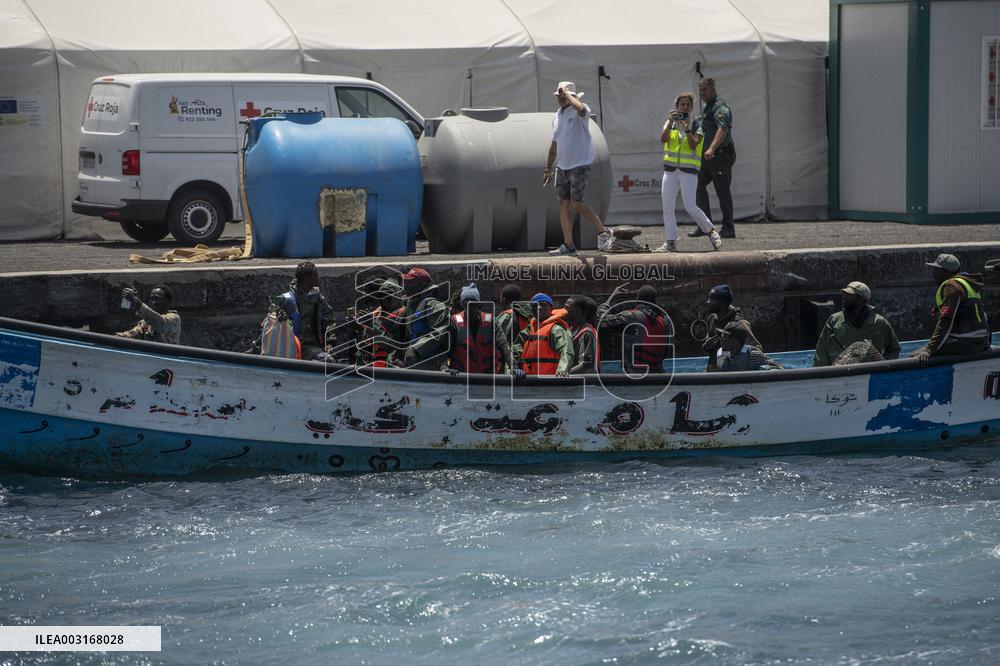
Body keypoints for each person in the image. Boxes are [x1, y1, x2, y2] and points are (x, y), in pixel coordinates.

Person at [542, 81, 614, 256]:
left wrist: (568, 95)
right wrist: (548, 166)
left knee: (577, 203)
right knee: (563, 204)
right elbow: (554, 144)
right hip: (563, 165)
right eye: (558, 96)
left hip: (579, 164)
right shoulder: (557, 116)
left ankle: (603, 231)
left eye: (563, 95)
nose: (560, 98)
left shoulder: (581, 110)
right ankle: (568, 245)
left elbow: (581, 110)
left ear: (572, 96)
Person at [657, 91, 722, 253]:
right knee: (667, 207)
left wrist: (687, 128)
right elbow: (663, 139)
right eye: (682, 104)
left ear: (692, 108)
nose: (685, 107)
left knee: (690, 206)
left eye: (688, 104)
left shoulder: (696, 125)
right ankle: (670, 242)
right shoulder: (670, 122)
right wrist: (671, 122)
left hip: (688, 172)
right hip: (671, 171)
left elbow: (694, 145)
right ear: (677, 107)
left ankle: (711, 231)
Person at [911, 254, 990, 364]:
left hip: (965, 342)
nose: (933, 273)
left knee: (915, 354)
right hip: (980, 341)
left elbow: (946, 320)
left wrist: (929, 350)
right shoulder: (967, 284)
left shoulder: (951, 286)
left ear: (947, 272)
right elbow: (983, 316)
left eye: (936, 270)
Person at [689, 78, 737, 239]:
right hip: (707, 157)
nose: (702, 93)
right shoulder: (706, 107)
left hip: (720, 155)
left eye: (705, 90)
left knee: (722, 191)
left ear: (713, 89)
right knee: (698, 187)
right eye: (700, 90)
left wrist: (711, 148)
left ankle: (728, 227)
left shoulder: (720, 107)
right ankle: (705, 226)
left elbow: (722, 129)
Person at [813, 281, 901, 367]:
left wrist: (884, 368)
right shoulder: (834, 320)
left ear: (861, 299)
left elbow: (894, 349)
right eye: (844, 294)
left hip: (871, 373)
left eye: (849, 295)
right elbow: (821, 352)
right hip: (838, 373)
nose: (844, 297)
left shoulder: (879, 323)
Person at [596, 284, 670, 374]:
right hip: (659, 373)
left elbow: (602, 320)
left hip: (635, 374)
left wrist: (612, 298)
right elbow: (666, 349)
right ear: (654, 301)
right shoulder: (665, 320)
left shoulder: (631, 316)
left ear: (637, 299)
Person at [442, 283, 513, 374]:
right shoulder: (454, 323)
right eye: (466, 303)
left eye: (473, 303)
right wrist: (444, 367)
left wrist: (513, 366)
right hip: (461, 377)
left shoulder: (491, 321)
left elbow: (503, 345)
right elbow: (444, 349)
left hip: (487, 378)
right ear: (462, 304)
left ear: (478, 304)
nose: (470, 306)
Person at [395, 267, 451, 370]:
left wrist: (415, 349)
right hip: (412, 366)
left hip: (431, 366)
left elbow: (439, 333)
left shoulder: (434, 306)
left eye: (410, 282)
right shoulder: (410, 306)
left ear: (421, 285)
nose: (405, 285)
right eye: (405, 282)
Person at [276, 261, 333, 361]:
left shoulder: (319, 299)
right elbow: (270, 323)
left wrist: (330, 343)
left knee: (327, 360)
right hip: (290, 346)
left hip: (311, 347)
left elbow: (329, 321)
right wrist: (280, 320)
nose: (318, 278)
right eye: (315, 275)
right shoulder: (287, 299)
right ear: (308, 278)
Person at [700, 284, 760, 373]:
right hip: (713, 372)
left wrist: (730, 353)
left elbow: (757, 350)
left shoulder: (739, 323)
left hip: (731, 375)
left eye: (712, 299)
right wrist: (705, 347)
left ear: (722, 303)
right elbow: (710, 347)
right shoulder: (712, 318)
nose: (708, 302)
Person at [520, 293, 575, 376]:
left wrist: (562, 371)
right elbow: (515, 351)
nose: (539, 308)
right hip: (527, 381)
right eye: (535, 305)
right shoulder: (528, 330)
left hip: (549, 381)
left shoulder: (557, 329)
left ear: (551, 308)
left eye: (543, 305)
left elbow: (566, 351)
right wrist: (514, 368)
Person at [116, 285, 181, 344]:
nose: (153, 302)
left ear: (168, 301)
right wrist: (115, 338)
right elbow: (133, 334)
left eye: (157, 299)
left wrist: (137, 303)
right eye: (152, 299)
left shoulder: (174, 319)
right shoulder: (147, 322)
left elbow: (161, 324)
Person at [495, 284, 532, 374]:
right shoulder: (529, 315)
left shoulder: (507, 316)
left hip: (507, 365)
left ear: (504, 300)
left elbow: (498, 340)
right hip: (525, 364)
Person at [716, 321, 781, 371]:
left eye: (724, 337)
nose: (721, 339)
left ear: (734, 341)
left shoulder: (753, 356)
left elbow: (779, 367)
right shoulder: (723, 355)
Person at [565, 295, 600, 374]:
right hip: (574, 382)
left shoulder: (587, 333)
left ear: (579, 311)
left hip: (586, 382)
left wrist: (565, 374)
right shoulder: (570, 330)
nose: (564, 310)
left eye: (567, 307)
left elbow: (585, 364)